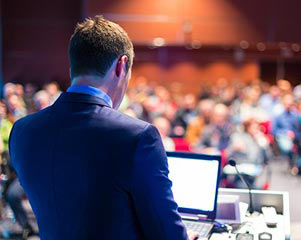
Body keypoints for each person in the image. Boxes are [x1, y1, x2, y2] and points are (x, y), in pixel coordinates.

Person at [9, 16, 196, 240]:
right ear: (121, 65)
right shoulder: (138, 137)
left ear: (72, 68)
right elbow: (169, 236)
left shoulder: (22, 131)